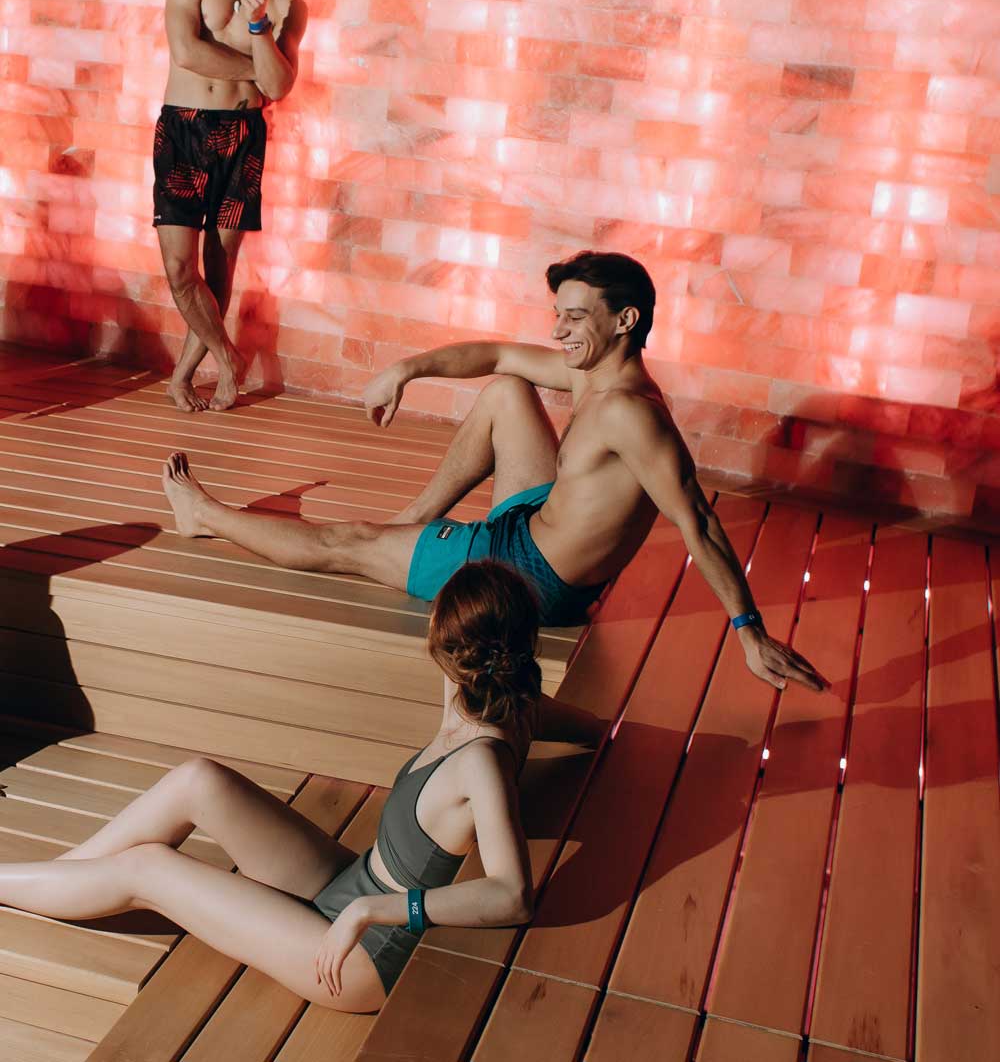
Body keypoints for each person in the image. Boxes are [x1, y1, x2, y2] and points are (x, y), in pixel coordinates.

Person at [162, 250, 826, 692]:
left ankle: (204, 516)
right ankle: (415, 525)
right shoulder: (593, 375)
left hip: (527, 578)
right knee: (508, 389)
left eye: (575, 317)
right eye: (558, 314)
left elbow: (698, 521)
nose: (559, 330)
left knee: (349, 542)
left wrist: (749, 631)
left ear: (625, 319)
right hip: (532, 523)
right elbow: (499, 355)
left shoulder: (630, 414)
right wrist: (406, 369)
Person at [0, 563, 598, 1009]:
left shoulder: (483, 758)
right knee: (199, 780)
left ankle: (36, 884)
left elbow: (512, 895)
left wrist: (373, 910)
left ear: (439, 638)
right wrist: (608, 732)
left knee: (147, 868)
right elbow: (590, 729)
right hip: (351, 880)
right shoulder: (506, 703)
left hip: (365, 958)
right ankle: (58, 881)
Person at [154, 0, 308, 413]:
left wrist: (260, 27)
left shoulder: (286, 4)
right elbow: (186, 52)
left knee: (219, 267)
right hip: (185, 127)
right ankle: (228, 357)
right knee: (180, 268)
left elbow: (279, 88)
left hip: (243, 136)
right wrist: (256, 71)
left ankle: (184, 375)